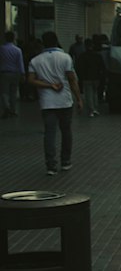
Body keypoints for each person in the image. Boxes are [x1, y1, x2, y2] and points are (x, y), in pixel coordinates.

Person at [28, 31, 82, 175]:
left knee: (49, 133)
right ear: (57, 41)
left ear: (43, 43)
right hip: (64, 101)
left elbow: (31, 80)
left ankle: (51, 166)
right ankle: (66, 161)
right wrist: (79, 99)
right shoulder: (65, 58)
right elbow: (72, 79)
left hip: (47, 102)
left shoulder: (35, 60)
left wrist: (48, 85)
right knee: (66, 131)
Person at [75, 36, 106, 116]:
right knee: (95, 93)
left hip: (86, 78)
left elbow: (78, 67)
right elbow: (102, 67)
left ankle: (91, 110)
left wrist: (80, 77)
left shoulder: (82, 56)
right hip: (96, 77)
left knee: (88, 93)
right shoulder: (97, 55)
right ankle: (95, 108)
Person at [1, 30, 25, 118]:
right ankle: (13, 110)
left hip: (4, 73)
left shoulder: (1, 49)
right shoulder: (18, 50)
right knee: (13, 92)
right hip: (15, 73)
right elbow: (20, 63)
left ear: (5, 38)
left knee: (4, 92)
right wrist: (23, 74)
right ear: (14, 38)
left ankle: (6, 107)